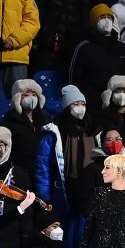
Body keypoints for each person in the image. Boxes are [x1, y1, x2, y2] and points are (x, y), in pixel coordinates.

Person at [35, 85, 92, 221]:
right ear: (67, 107)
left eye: (82, 104)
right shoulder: (54, 132)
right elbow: (43, 167)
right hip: (64, 190)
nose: (80, 108)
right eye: (75, 104)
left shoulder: (91, 129)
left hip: (88, 189)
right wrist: (46, 196)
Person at [68, 4, 125, 110]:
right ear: (94, 21)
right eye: (102, 17)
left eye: (109, 17)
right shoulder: (84, 47)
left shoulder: (122, 48)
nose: (106, 20)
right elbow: (73, 77)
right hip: (92, 103)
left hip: (117, 103)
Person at [81, 128, 125, 215]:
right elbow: (87, 199)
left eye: (117, 139)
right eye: (109, 140)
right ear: (102, 143)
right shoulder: (93, 169)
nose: (114, 143)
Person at [0, 79, 50, 183]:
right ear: (17, 98)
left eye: (34, 95)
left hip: (44, 170)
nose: (31, 98)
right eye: (26, 95)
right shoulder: (9, 119)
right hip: (21, 170)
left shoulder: (45, 119)